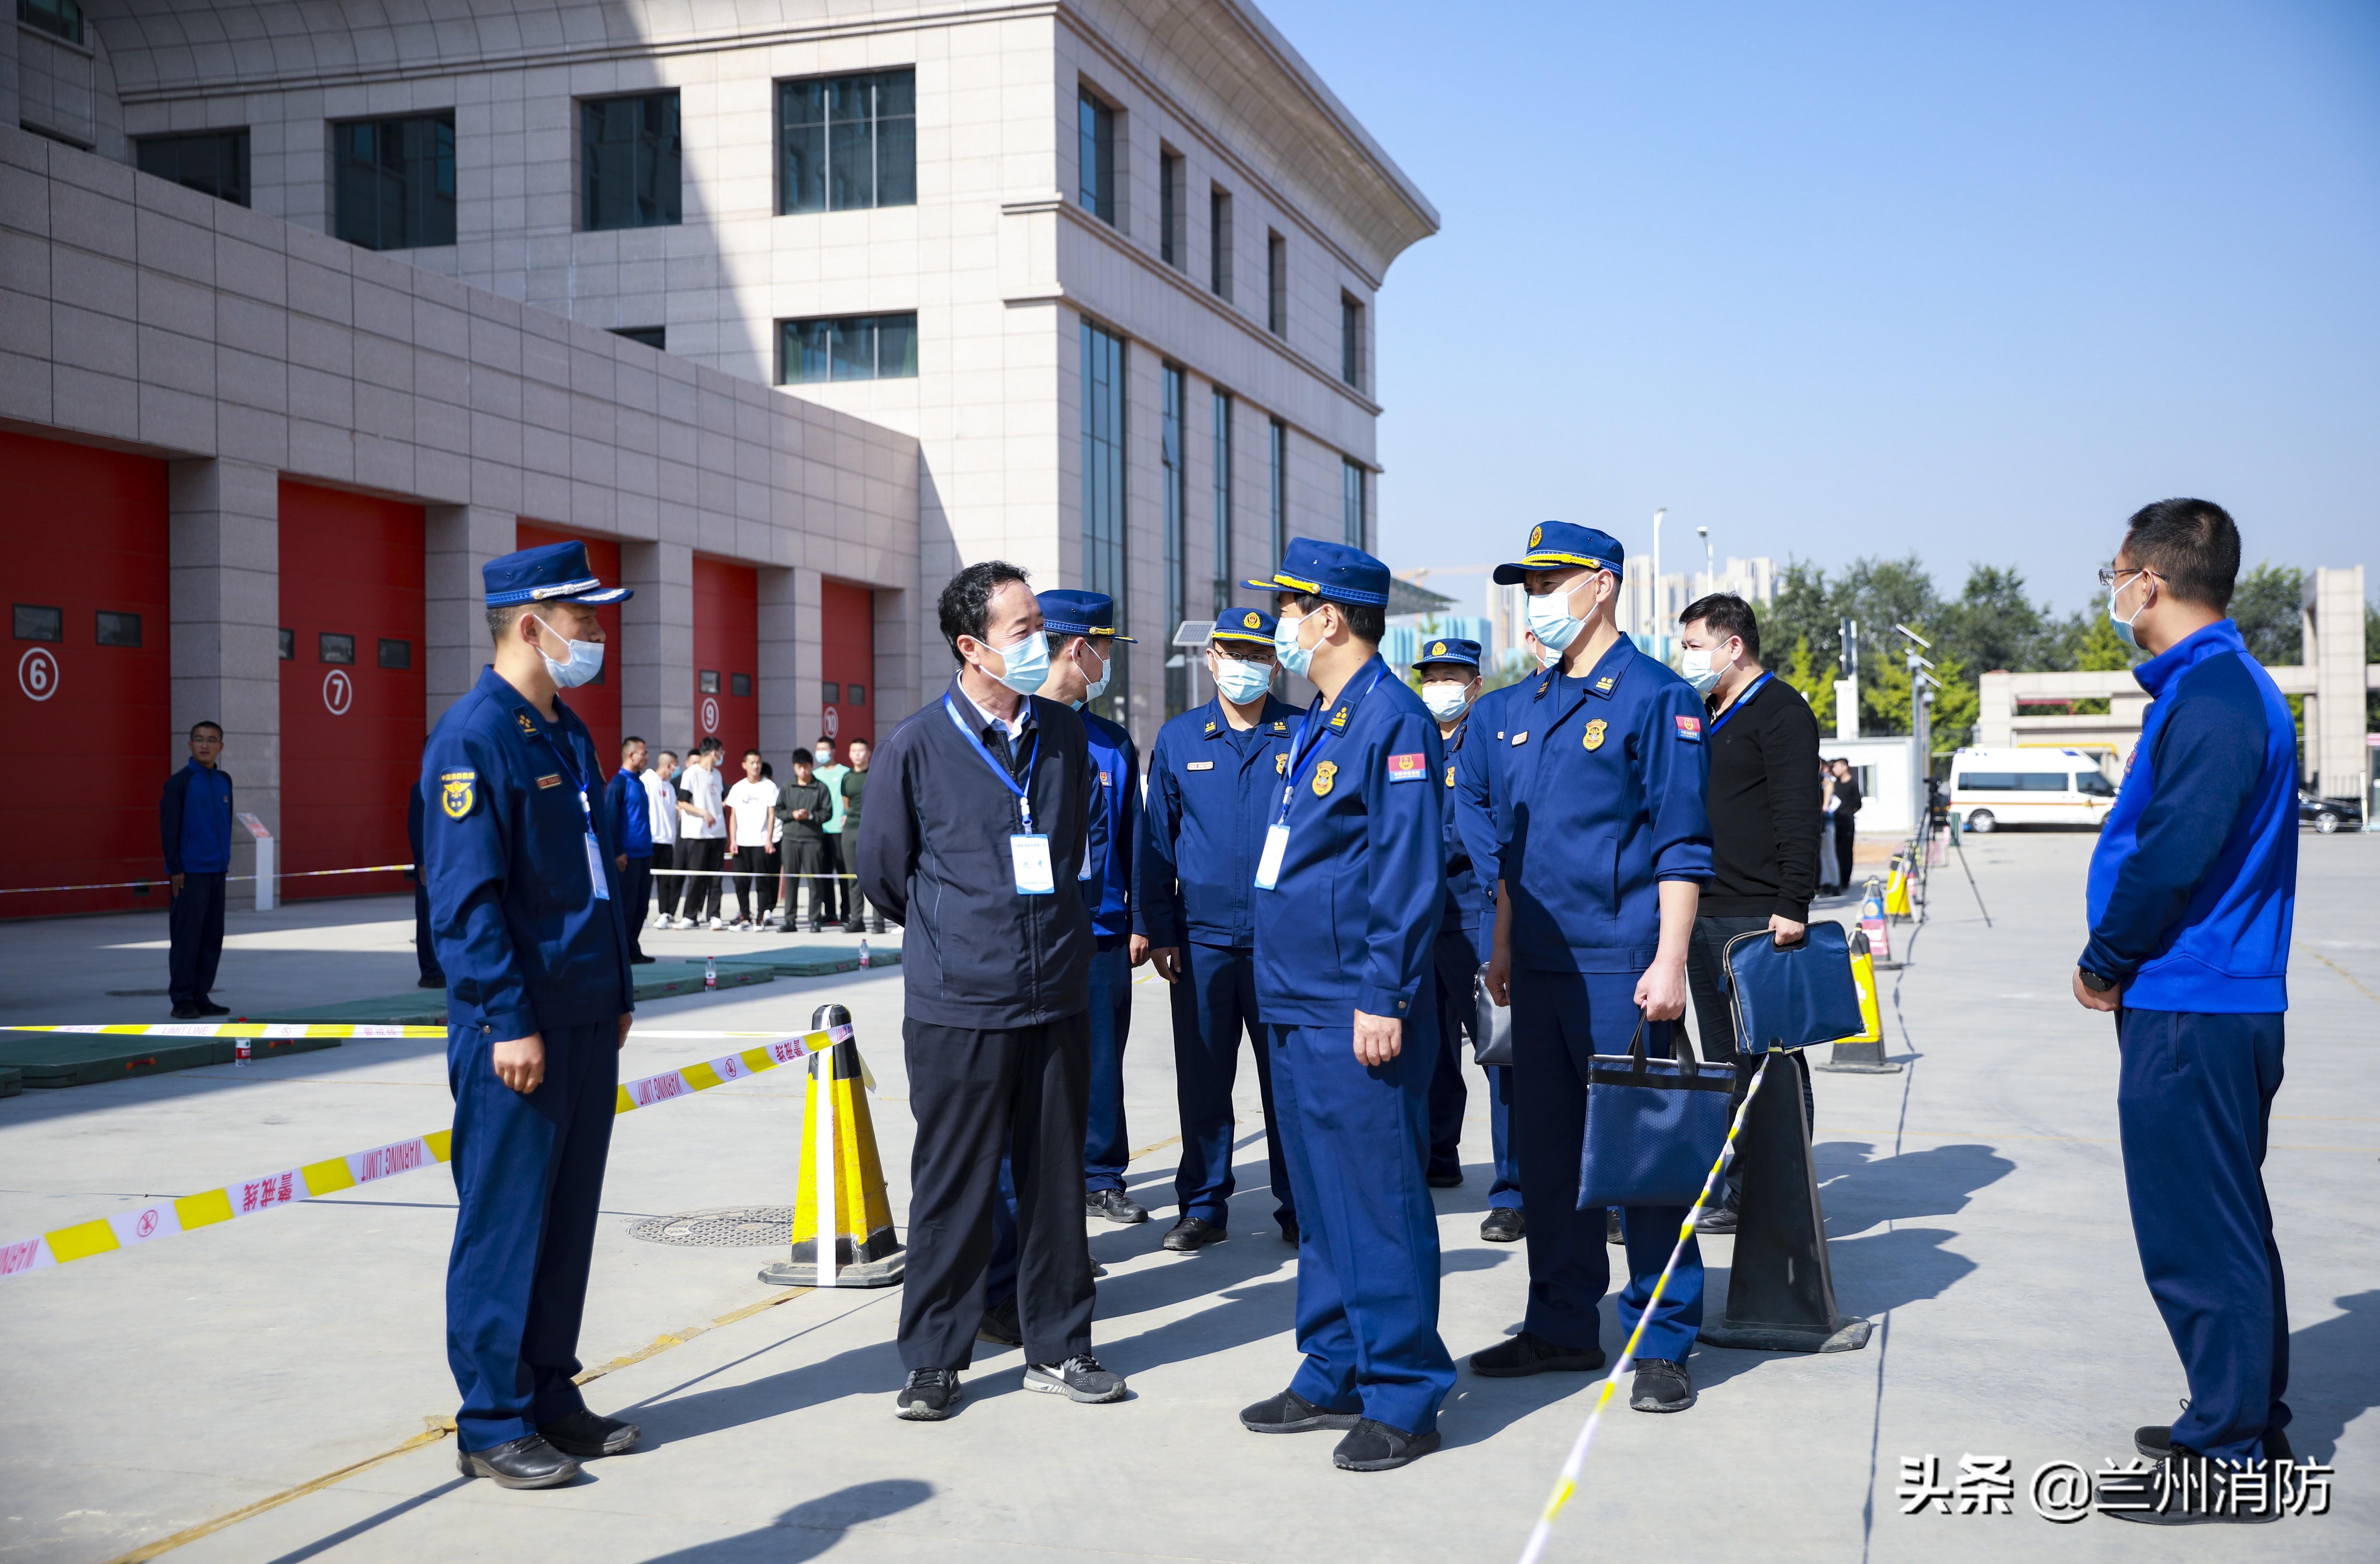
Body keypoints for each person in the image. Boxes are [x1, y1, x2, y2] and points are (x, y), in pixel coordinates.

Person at [855, 559, 1122, 1421]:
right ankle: (935, 1356)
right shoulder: (916, 744)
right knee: (954, 1187)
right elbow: (884, 874)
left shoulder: (1065, 733)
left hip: (1055, 990)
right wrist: (961, 932)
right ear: (971, 647)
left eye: (1041, 623)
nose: (1042, 642)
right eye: (1023, 630)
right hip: (959, 1001)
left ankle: (1059, 1343)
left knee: (1053, 1185)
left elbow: (1072, 842)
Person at [2073, 499, 2300, 1516]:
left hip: (2187, 999)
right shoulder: (2218, 687)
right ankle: (2241, 1414)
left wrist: (2104, 956)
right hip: (2210, 1000)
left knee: (2194, 1234)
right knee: (2226, 1223)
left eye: (2111, 573)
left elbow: (2172, 850)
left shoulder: (2211, 694)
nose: (2111, 589)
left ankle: (2230, 1456)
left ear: (2148, 581)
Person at [1473, 521, 1714, 1416]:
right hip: (1538, 967)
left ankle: (1662, 1340)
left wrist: (1671, 959)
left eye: (1552, 579)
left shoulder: (1656, 697)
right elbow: (1510, 849)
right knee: (1548, 1162)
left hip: (1624, 964)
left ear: (1603, 584)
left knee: (1642, 1161)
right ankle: (1562, 1321)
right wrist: (1500, 946)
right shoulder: (1524, 705)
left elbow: (1683, 843)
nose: (1536, 596)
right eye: (1527, 582)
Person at [420, 538, 639, 1490]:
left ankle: (549, 1389)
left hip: (587, 1008)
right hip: (519, 1024)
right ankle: (492, 1417)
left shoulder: (566, 730)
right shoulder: (473, 739)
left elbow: (589, 880)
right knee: (506, 1220)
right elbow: (465, 903)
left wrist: (618, 989)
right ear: (530, 624)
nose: (595, 634)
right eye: (583, 618)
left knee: (565, 1218)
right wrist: (508, 1017)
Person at [1237, 539, 1453, 1473]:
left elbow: (1406, 875)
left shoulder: (1390, 719)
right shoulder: (1325, 717)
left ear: (1329, 616)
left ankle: (1404, 1390)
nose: (1279, 624)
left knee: (1376, 1197)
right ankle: (1332, 1362)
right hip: (1293, 998)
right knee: (1321, 1200)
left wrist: (1382, 991)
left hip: (1350, 1005)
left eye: (1289, 607)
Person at [1133, 607, 1301, 1252]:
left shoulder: (1303, 732)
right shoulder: (1179, 739)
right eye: (1234, 653)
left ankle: (1297, 1205)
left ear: (1276, 662)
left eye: (1258, 655)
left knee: (1287, 1084)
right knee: (1203, 1079)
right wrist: (1163, 930)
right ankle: (1203, 1204)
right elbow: (1157, 847)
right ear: (1211, 659)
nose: (1246, 667)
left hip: (1284, 945)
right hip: (1200, 945)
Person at [1672, 595, 1821, 1233]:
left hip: (1757, 917)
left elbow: (1798, 813)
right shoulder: (1706, 711)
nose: (1686, 658)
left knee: (1772, 1060)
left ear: (1734, 646)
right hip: (1704, 910)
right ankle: (1738, 1186)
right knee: (1724, 1060)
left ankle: (1783, 1190)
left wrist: (1792, 903)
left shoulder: (1781, 711)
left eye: (1694, 645)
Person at [1035, 589, 1145, 1224]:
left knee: (1102, 1060)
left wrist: (1139, 923)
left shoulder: (1111, 743)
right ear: (1081, 647)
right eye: (1106, 650)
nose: (1109, 662)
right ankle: (1048, 1189)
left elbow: (1135, 838)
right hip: (1034, 933)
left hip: (1103, 931)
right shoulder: (1014, 730)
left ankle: (1102, 1175)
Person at [1413, 637, 1521, 1229]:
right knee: (1425, 1048)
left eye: (1452, 676)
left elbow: (1480, 832)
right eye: (1432, 677)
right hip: (1425, 916)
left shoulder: (1491, 741)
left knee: (1499, 1054)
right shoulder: (1416, 741)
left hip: (1479, 913)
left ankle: (1511, 1190)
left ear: (1475, 683)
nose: (1440, 687)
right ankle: (1437, 1153)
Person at [1451, 640, 1542, 1244]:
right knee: (1506, 1061)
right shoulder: (1497, 712)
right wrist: (1505, 881)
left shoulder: (1641, 699)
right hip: (1503, 914)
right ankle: (1512, 1192)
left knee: (1600, 1062)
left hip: (1597, 925)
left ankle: (1608, 1189)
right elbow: (1472, 803)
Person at [160, 721, 234, 1019]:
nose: (205, 745)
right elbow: (169, 828)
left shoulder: (224, 781)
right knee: (187, 938)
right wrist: (175, 868)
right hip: (189, 874)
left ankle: (201, 995)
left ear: (221, 747)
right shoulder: (179, 783)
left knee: (211, 937)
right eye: (200, 740)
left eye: (212, 740)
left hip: (217, 871)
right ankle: (182, 999)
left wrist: (224, 860)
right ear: (190, 745)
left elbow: (226, 824)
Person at [604, 737, 657, 964]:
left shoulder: (640, 783)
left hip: (645, 855)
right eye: (643, 753)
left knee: (641, 906)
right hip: (628, 857)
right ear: (630, 755)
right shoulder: (619, 784)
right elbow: (610, 820)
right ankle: (622, 952)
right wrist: (617, 852)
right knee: (627, 906)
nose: (647, 758)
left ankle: (633, 949)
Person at [774, 748, 834, 931]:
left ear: (811, 766)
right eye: (800, 767)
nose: (803, 771)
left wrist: (810, 816)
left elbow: (828, 813)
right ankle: (790, 919)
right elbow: (778, 811)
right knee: (791, 881)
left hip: (813, 840)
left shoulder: (821, 787)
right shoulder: (787, 787)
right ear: (794, 767)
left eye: (807, 767)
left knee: (815, 881)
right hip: (791, 840)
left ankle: (815, 919)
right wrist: (792, 814)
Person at [723, 750, 780, 931]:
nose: (756, 766)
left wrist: (769, 839)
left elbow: (772, 815)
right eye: (752, 763)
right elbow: (733, 817)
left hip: (761, 842)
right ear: (744, 765)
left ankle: (761, 918)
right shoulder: (738, 788)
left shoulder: (769, 786)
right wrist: (733, 840)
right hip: (742, 843)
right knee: (741, 883)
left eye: (758, 763)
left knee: (763, 883)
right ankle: (745, 918)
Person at [677, 739, 727, 929]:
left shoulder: (717, 775)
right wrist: (704, 813)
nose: (722, 757)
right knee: (696, 877)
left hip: (717, 834)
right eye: (721, 752)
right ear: (714, 753)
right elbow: (683, 802)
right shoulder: (691, 774)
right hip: (697, 834)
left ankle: (714, 915)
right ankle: (690, 915)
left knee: (716, 877)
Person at [408, 765, 447, 990]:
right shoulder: (422, 787)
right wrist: (421, 863)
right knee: (428, 919)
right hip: (431, 865)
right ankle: (432, 973)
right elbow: (416, 826)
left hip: (454, 863)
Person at [813, 736, 851, 926]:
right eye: (818, 749)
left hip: (840, 830)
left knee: (843, 873)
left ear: (833, 751)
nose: (821, 752)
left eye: (824, 749)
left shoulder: (845, 773)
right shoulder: (815, 775)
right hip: (821, 831)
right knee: (825, 873)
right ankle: (830, 912)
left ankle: (846, 913)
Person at [643, 750, 681, 927]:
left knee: (666, 881)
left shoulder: (671, 787)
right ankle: (641, 915)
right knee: (645, 882)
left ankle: (665, 914)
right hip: (650, 840)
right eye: (676, 766)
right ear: (668, 766)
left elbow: (673, 815)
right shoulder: (646, 782)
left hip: (667, 842)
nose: (677, 770)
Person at [839, 738, 874, 930]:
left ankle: (878, 921)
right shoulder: (847, 778)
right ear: (850, 755)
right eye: (854, 751)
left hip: (872, 829)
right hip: (851, 828)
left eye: (862, 750)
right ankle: (857, 920)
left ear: (869, 753)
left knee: (876, 876)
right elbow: (847, 804)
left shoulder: (876, 773)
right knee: (853, 878)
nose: (858, 754)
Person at [1829, 757, 1861, 888]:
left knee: (1846, 851)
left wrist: (1849, 813)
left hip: (1847, 822)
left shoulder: (1852, 784)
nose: (1834, 770)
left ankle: (1845, 880)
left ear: (1845, 767)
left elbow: (1858, 804)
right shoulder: (1835, 784)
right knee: (1836, 851)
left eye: (1837, 767)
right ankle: (1837, 878)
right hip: (1835, 821)